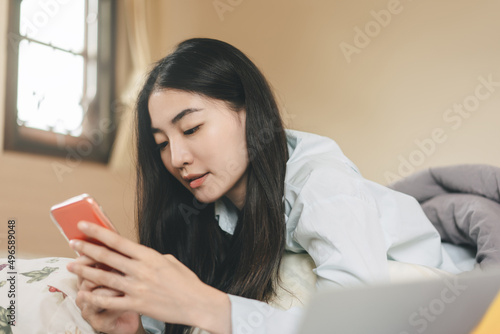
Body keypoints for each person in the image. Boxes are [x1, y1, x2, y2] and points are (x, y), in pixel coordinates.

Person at [66, 38, 462, 334]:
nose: (177, 158)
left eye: (192, 128)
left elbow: (354, 323)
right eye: (162, 144)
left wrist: (208, 306)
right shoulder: (204, 209)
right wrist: (133, 328)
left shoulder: (320, 181)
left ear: (249, 111)